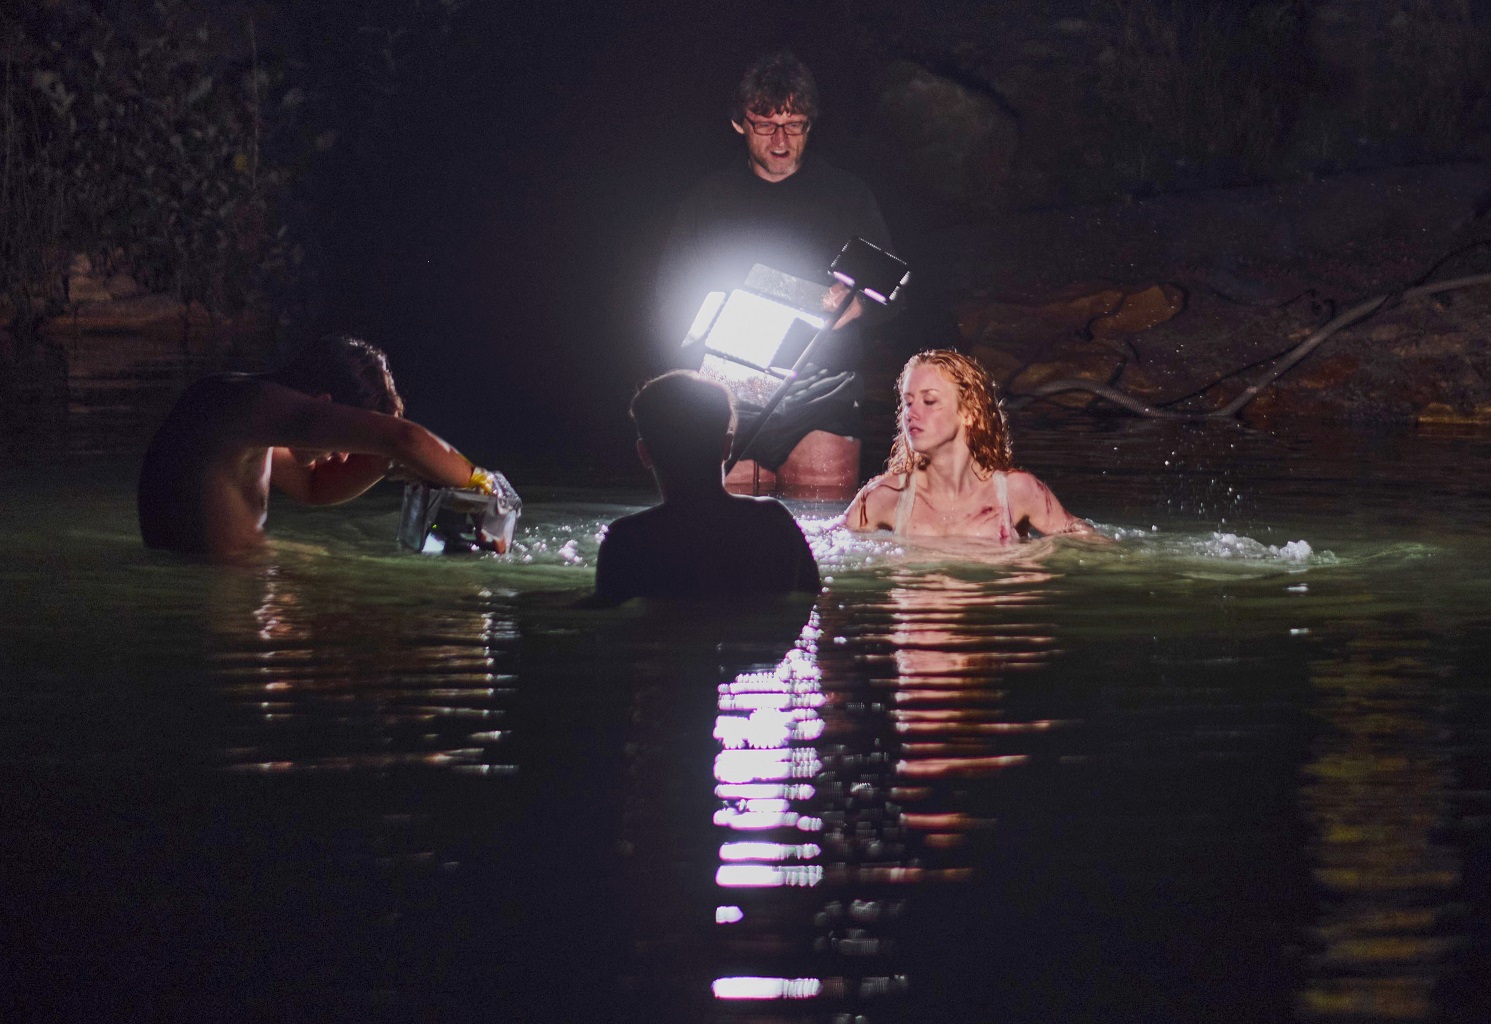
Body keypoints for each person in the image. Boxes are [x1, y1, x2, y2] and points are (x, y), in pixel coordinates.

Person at [657, 51, 895, 500]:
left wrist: (858, 302)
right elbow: (666, 302)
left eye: (794, 125)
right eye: (766, 125)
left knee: (821, 523)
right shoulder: (708, 200)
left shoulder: (847, 195)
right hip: (729, 390)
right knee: (727, 529)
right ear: (739, 124)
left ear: (811, 124)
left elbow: (897, 291)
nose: (781, 140)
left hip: (821, 388)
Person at [138, 334, 505, 558]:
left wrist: (385, 461)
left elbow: (312, 486)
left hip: (235, 584)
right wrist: (485, 486)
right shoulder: (243, 405)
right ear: (323, 405)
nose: (342, 455)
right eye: (340, 440)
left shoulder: (245, 414)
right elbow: (405, 438)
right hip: (221, 604)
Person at [591, 370, 820, 604]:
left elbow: (603, 612)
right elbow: (814, 596)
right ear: (727, 446)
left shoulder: (628, 540)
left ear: (644, 453)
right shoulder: (773, 521)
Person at [845, 349, 1096, 542]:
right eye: (908, 402)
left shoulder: (1016, 491)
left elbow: (1088, 543)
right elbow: (828, 548)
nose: (911, 414)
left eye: (929, 401)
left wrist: (1035, 559)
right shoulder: (884, 496)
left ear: (969, 413)